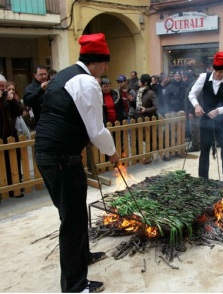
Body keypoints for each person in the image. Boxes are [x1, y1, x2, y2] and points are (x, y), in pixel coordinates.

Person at [34, 33, 120, 293]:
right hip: (61, 158)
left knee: (74, 213)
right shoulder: (86, 82)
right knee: (72, 221)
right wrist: (113, 153)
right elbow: (96, 130)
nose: (106, 69)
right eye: (105, 63)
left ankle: (83, 256)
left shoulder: (64, 75)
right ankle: (74, 286)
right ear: (96, 61)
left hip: (49, 154)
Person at [188, 51, 223, 183]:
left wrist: (219, 110)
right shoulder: (203, 77)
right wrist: (196, 106)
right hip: (206, 120)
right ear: (212, 68)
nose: (218, 75)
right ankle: (203, 180)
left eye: (221, 72)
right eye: (216, 71)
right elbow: (192, 94)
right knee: (204, 149)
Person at [0, 75, 24, 198]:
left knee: (13, 162)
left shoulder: (7, 97)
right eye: (1, 86)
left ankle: (14, 188)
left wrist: (12, 100)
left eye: (4, 86)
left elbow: (19, 111)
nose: (3, 89)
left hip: (10, 135)